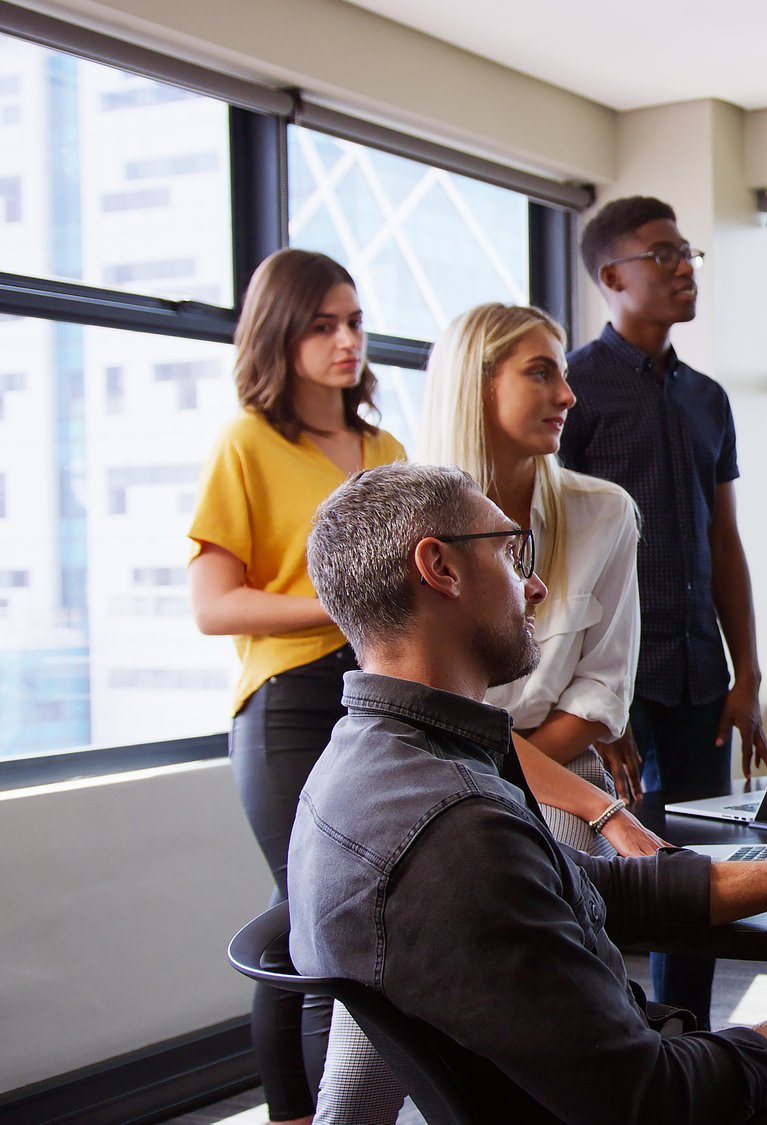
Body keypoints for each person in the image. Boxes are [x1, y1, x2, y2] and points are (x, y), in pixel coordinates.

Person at [292, 461, 767, 1124]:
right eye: (510, 552)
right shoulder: (455, 831)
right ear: (439, 567)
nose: (534, 586)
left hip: (621, 1069)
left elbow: (608, 890)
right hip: (652, 1089)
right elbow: (649, 1098)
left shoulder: (364, 767)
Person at [311, 303, 665, 1122]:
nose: (569, 394)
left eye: (564, 372)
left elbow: (601, 696)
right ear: (478, 383)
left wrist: (564, 794)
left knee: (568, 966)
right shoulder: (404, 513)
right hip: (435, 767)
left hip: (560, 767)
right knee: (379, 981)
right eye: (541, 371)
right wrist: (510, 784)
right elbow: (410, 698)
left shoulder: (605, 512)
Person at [188, 248, 405, 1125]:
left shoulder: (385, 446)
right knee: (305, 914)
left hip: (377, 694)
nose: (345, 339)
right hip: (284, 702)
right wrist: (338, 597)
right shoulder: (247, 442)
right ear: (282, 333)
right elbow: (213, 605)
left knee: (367, 909)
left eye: (353, 320)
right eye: (322, 324)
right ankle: (295, 1116)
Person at [560, 195, 767, 1026]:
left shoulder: (708, 398)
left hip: (700, 673)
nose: (685, 267)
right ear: (613, 277)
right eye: (664, 254)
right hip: (612, 678)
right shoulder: (572, 388)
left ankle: (689, 1036)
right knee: (625, 864)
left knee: (699, 868)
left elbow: (726, 543)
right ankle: (619, 1041)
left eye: (688, 252)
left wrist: (748, 672)